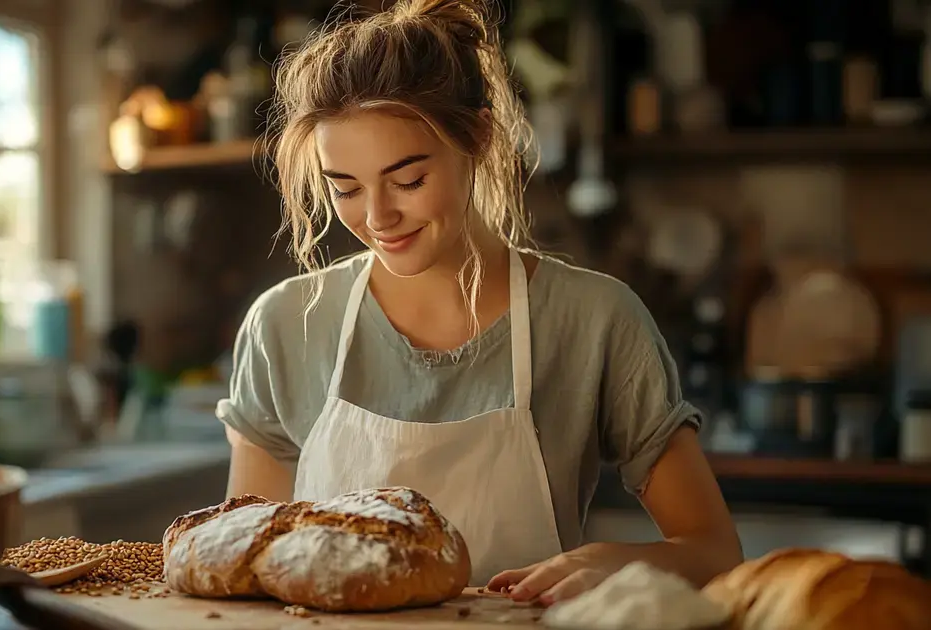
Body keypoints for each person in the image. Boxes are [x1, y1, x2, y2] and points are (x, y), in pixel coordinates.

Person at [216, 0, 742, 606]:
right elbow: (244, 564)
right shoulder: (286, 325)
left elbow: (714, 550)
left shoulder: (595, 321)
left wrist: (617, 563)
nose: (379, 217)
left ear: (481, 138)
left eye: (409, 180)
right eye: (347, 188)